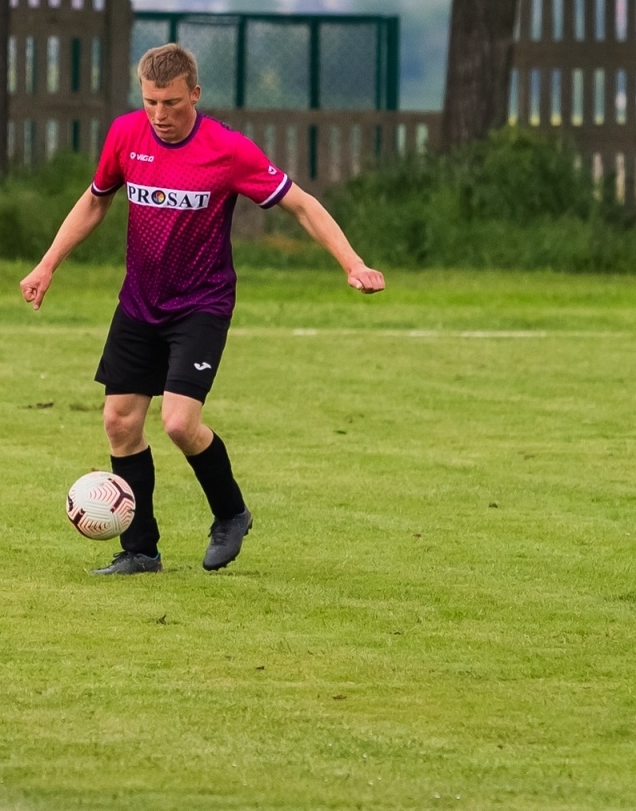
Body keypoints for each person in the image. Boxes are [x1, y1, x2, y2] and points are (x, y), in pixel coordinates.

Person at [20, 42, 385, 575]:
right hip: (139, 303)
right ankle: (141, 550)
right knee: (120, 422)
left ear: (194, 93)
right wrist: (47, 264)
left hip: (201, 305)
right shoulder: (125, 134)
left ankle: (231, 513)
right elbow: (97, 198)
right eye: (150, 102)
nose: (160, 115)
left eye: (171, 102)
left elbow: (301, 204)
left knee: (178, 424)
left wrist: (352, 263)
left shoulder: (227, 150)